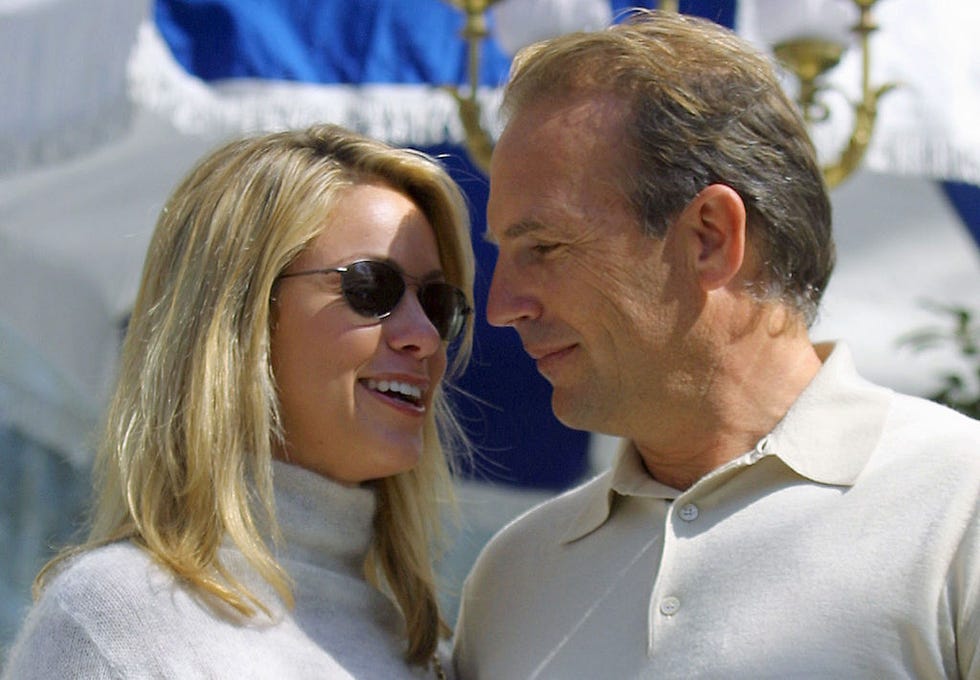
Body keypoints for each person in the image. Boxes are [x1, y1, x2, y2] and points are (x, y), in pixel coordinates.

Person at [453, 9, 979, 679]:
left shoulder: (962, 507)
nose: (502, 307)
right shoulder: (513, 577)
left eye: (545, 247)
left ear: (709, 237)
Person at [2, 124, 474, 679]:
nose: (423, 334)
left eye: (438, 302)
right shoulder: (113, 621)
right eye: (372, 289)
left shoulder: (428, 654)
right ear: (238, 319)